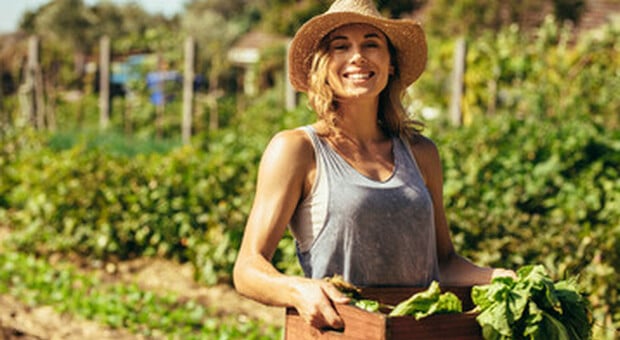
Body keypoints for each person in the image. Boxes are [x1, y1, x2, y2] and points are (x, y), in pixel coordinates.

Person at [233, 0, 515, 330]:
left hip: (417, 333)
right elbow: (247, 268)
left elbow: (444, 262)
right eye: (341, 46)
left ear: (390, 64)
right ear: (323, 65)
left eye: (371, 44)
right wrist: (298, 290)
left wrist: (500, 277)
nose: (358, 56)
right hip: (342, 331)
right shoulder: (297, 150)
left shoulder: (421, 153)